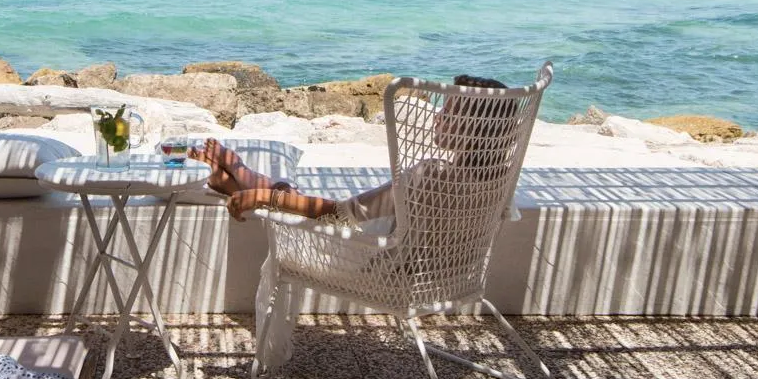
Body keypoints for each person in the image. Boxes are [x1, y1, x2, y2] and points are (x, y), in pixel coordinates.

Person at [190, 74, 516, 229]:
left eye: (450, 112)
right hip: (454, 276)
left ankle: (240, 177)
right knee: (304, 195)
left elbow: (341, 214)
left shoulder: (431, 177)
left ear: (476, 128)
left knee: (308, 206)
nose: (438, 116)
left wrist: (265, 198)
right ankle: (236, 177)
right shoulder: (501, 182)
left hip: (376, 266)